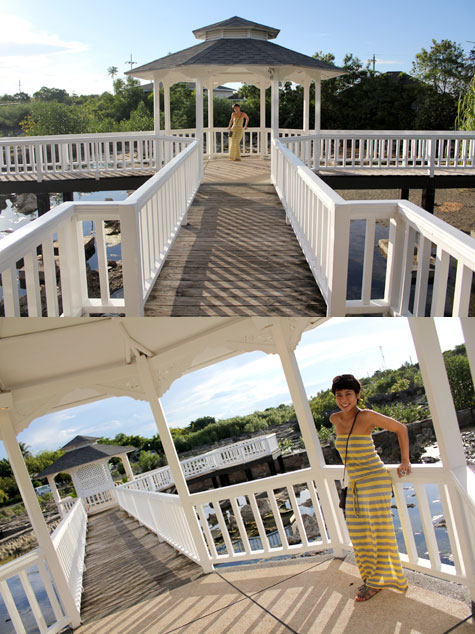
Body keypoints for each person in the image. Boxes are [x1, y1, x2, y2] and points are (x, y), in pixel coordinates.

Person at [329, 374, 410, 602]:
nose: (344, 399)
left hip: (374, 480)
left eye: (348, 394)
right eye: (339, 395)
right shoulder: (335, 419)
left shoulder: (367, 416)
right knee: (359, 534)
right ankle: (370, 576)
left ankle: (376, 583)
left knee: (380, 533)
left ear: (357, 395)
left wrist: (405, 460)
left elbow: (401, 429)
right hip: (354, 483)